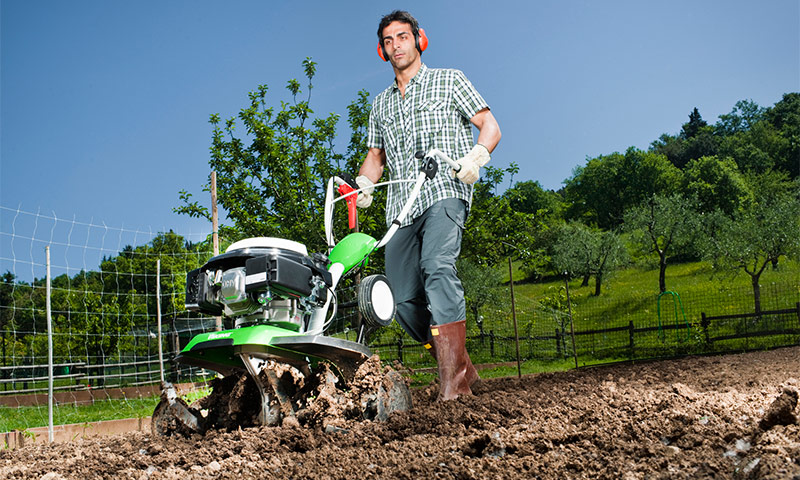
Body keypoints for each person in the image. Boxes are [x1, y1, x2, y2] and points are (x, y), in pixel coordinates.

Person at [355, 10, 501, 401]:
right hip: (402, 207)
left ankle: (452, 384)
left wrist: (477, 157)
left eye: (402, 37)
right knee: (400, 300)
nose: (396, 45)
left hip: (444, 192)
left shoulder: (448, 80)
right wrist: (365, 183)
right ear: (383, 52)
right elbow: (376, 156)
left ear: (419, 39)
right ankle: (463, 366)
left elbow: (490, 126)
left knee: (437, 266)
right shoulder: (380, 104)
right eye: (388, 41)